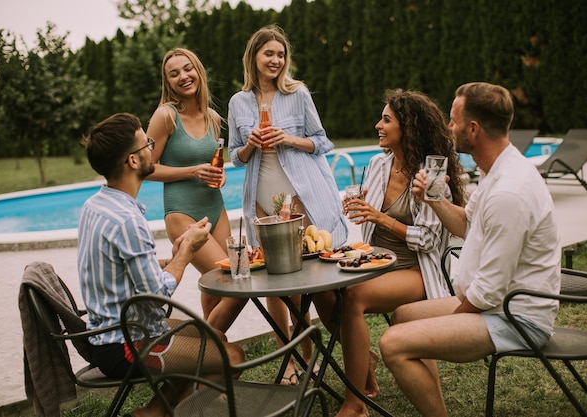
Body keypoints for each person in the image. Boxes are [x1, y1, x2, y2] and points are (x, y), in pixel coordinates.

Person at [379, 82, 561, 417]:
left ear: (473, 129)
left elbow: (489, 291)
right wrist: (433, 200)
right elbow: (465, 223)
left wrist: (449, 322)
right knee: (403, 315)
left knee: (394, 342)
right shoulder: (497, 171)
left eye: (453, 120)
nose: (449, 127)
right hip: (497, 302)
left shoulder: (510, 192)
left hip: (516, 316)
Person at [78, 113, 245, 417]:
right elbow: (157, 291)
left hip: (108, 333)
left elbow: (119, 268)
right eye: (147, 144)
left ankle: (154, 412)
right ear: (132, 161)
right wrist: (188, 251)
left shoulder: (95, 205)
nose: (152, 150)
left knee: (216, 339)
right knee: (232, 357)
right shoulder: (128, 220)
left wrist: (172, 254)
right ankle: (164, 414)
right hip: (128, 343)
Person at [312, 89, 465, 417]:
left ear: (407, 127)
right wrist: (357, 208)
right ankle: (363, 359)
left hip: (416, 270)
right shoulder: (379, 164)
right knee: (320, 287)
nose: (377, 125)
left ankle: (355, 404)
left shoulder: (432, 173)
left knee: (352, 297)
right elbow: (367, 212)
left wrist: (379, 216)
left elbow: (427, 240)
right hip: (376, 259)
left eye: (386, 120)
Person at [228, 25, 348, 384]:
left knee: (303, 284)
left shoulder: (297, 93)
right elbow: (235, 156)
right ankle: (289, 361)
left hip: (298, 195)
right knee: (273, 285)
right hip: (260, 197)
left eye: (280, 54)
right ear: (254, 57)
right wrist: (249, 144)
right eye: (269, 53)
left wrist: (289, 138)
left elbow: (322, 141)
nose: (276, 60)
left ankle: (309, 357)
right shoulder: (238, 102)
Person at [146, 48, 247, 333]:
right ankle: (207, 347)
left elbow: (212, 163)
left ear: (198, 71)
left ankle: (214, 358)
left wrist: (218, 174)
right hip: (182, 213)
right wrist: (192, 171)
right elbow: (145, 168)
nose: (183, 77)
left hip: (215, 207)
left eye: (187, 69)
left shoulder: (213, 117)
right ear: (168, 82)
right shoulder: (166, 116)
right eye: (174, 73)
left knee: (219, 287)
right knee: (234, 278)